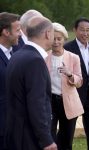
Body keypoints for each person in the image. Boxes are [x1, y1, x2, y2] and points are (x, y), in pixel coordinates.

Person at [5, 16, 57, 150]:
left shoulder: (17, 55)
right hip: (28, 138)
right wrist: (46, 140)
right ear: (47, 34)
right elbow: (37, 104)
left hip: (15, 133)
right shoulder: (35, 61)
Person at [45, 22, 84, 150]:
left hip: (68, 103)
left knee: (66, 141)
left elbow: (79, 82)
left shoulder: (74, 58)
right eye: (53, 39)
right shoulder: (44, 57)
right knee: (48, 138)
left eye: (59, 39)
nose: (56, 42)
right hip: (49, 102)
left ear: (64, 39)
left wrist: (70, 74)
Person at [64, 17, 89, 150]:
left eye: (88, 30)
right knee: (67, 133)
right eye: (82, 30)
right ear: (75, 30)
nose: (85, 33)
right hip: (73, 95)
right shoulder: (67, 48)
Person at [0, 12, 21, 150]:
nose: (20, 34)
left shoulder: (15, 53)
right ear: (6, 32)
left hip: (14, 126)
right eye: (18, 30)